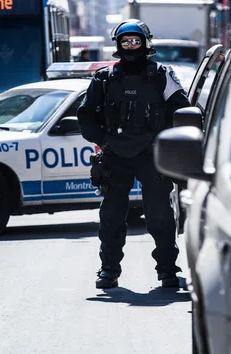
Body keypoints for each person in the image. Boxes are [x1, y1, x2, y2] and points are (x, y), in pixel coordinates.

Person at [77, 19, 191, 289]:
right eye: (125, 41)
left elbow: (182, 111)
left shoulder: (161, 75)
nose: (130, 46)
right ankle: (108, 271)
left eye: (135, 41)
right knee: (112, 216)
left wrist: (170, 144)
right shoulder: (104, 78)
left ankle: (167, 271)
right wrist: (103, 142)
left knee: (160, 216)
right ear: (118, 45)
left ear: (145, 43)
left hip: (152, 155)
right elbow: (85, 114)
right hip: (115, 155)